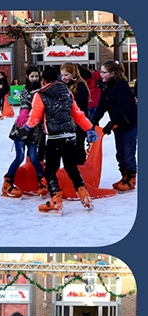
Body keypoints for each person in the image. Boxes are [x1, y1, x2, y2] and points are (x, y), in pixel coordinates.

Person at [25, 66, 99, 214]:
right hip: (70, 136)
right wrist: (89, 128)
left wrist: (27, 126)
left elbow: (35, 116)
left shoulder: (40, 95)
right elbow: (78, 114)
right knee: (71, 167)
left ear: (44, 80)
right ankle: (84, 194)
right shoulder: (67, 92)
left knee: (51, 171)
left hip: (53, 138)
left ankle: (56, 199)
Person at [91, 60, 138, 192]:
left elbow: (121, 108)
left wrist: (111, 123)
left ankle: (131, 178)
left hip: (129, 124)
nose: (100, 74)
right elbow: (102, 105)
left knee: (128, 153)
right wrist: (94, 120)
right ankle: (124, 177)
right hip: (118, 125)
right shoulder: (106, 87)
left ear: (112, 74)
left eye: (103, 72)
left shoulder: (122, 86)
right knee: (120, 154)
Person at [3, 66, 46, 198]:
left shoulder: (42, 91)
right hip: (22, 129)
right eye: (32, 76)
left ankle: (42, 182)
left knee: (34, 158)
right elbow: (25, 103)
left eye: (36, 76)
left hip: (35, 131)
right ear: (27, 77)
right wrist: (24, 112)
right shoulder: (25, 91)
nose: (34, 79)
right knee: (20, 157)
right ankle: (7, 183)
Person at [60, 62, 91, 165]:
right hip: (67, 123)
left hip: (78, 123)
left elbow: (81, 108)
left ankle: (80, 169)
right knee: (68, 149)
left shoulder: (80, 86)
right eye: (62, 75)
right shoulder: (64, 85)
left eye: (66, 75)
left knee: (78, 147)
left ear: (73, 74)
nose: (63, 77)